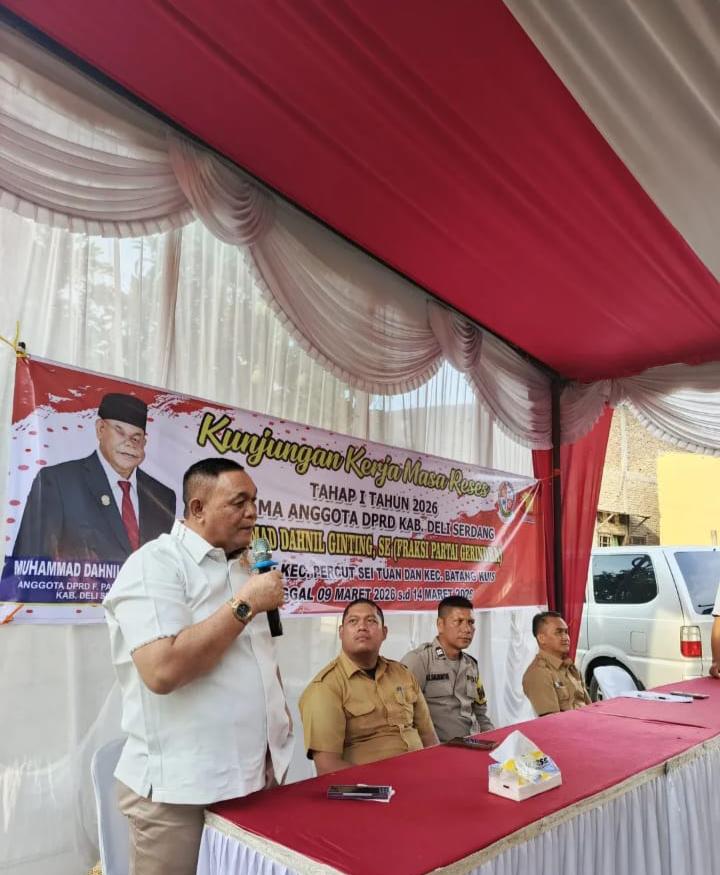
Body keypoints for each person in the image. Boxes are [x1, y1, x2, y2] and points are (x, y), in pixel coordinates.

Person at [103, 457, 293, 875]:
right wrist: (246, 603)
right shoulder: (155, 564)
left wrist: (276, 722)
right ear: (197, 508)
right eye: (239, 502)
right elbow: (163, 669)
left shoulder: (244, 567)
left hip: (251, 781)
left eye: (255, 501)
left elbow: (259, 656)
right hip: (179, 793)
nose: (252, 513)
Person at [13, 392, 176, 561]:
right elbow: (28, 562)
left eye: (136, 438)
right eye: (120, 432)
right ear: (100, 429)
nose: (129, 444)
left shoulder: (162, 497)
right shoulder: (58, 481)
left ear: (144, 444)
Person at [299, 598, 438, 775]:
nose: (362, 627)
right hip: (370, 786)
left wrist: (436, 772)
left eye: (371, 621)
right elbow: (327, 767)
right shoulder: (325, 687)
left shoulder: (402, 674)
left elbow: (429, 737)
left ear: (384, 632)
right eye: (353, 621)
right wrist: (384, 783)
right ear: (341, 632)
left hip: (422, 774)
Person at [401, 595, 494, 741]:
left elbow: (481, 713)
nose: (467, 629)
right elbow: (403, 715)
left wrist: (494, 739)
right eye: (458, 621)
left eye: (471, 622)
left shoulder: (471, 665)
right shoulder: (419, 660)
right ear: (440, 624)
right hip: (438, 748)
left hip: (474, 743)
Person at [522, 611, 591, 716]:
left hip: (589, 720)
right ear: (541, 638)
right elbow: (552, 721)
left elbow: (590, 706)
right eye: (558, 632)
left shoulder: (570, 667)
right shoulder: (538, 673)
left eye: (566, 632)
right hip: (571, 725)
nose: (565, 637)